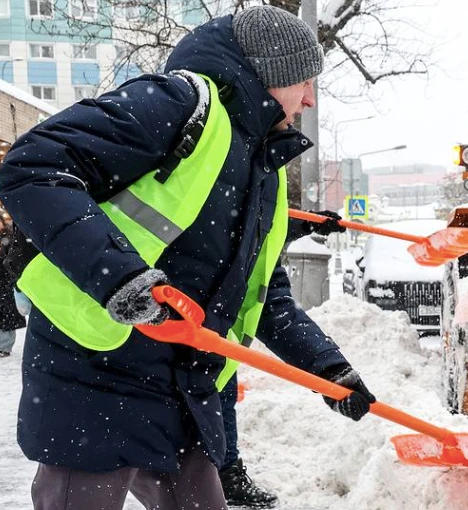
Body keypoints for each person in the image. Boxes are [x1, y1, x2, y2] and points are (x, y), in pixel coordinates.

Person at [0, 6, 376, 510]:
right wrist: (119, 276)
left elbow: (264, 296)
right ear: (270, 75)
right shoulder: (178, 104)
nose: (308, 99)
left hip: (182, 387)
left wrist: (329, 372)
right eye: (303, 82)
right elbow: (32, 165)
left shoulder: (263, 172)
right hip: (93, 374)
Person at [217, 212, 342, 509]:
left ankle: (225, 472)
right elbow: (236, 213)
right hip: (144, 334)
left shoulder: (265, 175)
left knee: (221, 389)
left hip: (212, 338)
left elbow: (252, 216)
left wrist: (330, 367)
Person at [0, 198, 26, 357]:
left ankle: (5, 346)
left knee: (6, 313)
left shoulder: (9, 235)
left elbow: (14, 255)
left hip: (5, 279)